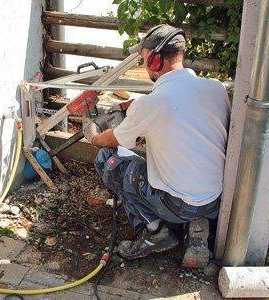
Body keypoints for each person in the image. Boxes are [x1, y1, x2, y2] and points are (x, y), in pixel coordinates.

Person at [83, 24, 230, 260]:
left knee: (108, 159)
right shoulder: (216, 89)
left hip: (178, 205)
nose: (143, 64)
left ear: (154, 60)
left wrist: (92, 135)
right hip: (214, 201)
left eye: (143, 59)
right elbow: (186, 115)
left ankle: (154, 231)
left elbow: (112, 139)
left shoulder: (152, 104)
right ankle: (193, 227)